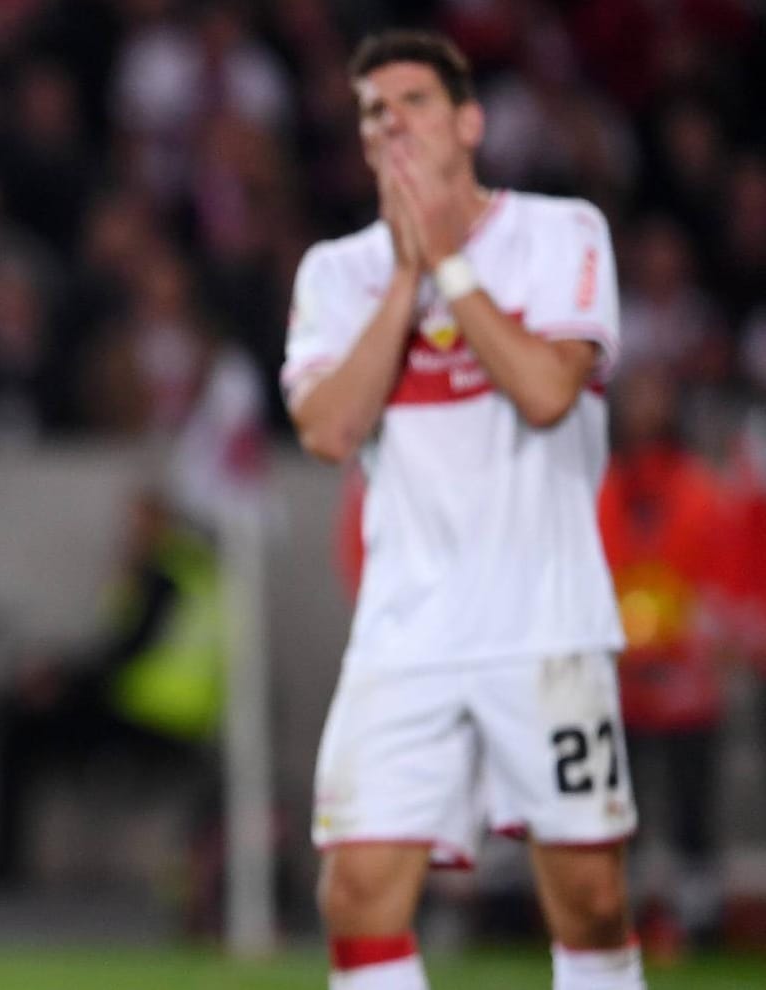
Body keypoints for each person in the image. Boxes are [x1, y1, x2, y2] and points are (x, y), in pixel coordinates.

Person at [283, 30, 642, 990]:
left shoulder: (560, 234)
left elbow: (544, 391)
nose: (389, 120)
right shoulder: (336, 273)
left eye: (412, 100)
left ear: (469, 121)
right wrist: (406, 279)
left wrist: (450, 266)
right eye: (371, 110)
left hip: (544, 623)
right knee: (357, 893)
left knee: (591, 900)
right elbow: (326, 429)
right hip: (405, 632)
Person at [0, 489, 226, 913]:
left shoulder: (164, 578)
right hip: (170, 715)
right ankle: (0, 872)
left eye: (139, 523)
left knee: (14, 730)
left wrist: (60, 681)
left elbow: (127, 654)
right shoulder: (196, 573)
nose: (129, 534)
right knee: (20, 724)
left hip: (153, 718)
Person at [597, 369, 727, 954]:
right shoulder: (605, 490)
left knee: (692, 805)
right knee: (623, 809)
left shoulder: (697, 488)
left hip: (686, 680)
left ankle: (699, 919)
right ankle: (621, 915)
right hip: (620, 676)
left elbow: (713, 573)